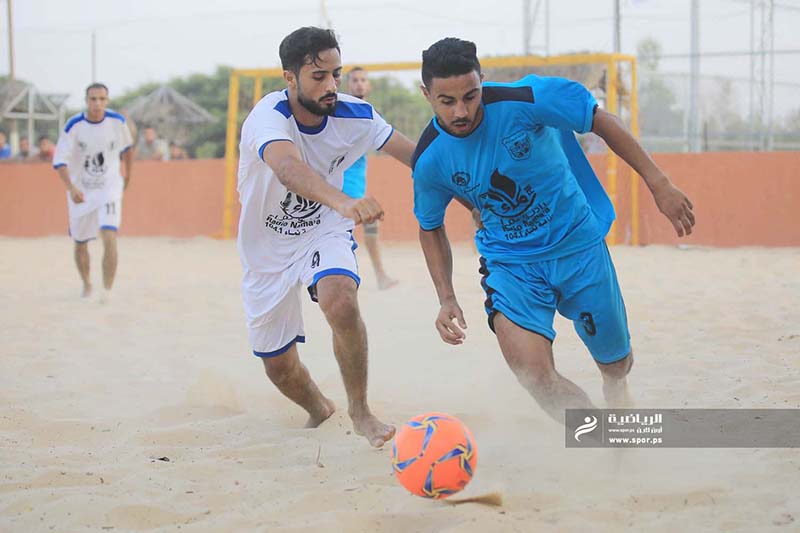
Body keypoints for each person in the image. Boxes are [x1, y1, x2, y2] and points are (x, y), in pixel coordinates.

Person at [411, 38, 695, 424]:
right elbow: (430, 227)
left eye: (470, 96)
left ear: (482, 80)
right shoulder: (429, 159)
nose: (461, 111)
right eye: (447, 101)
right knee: (534, 376)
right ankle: (601, 440)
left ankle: (615, 387)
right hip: (511, 265)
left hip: (578, 246)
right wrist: (446, 297)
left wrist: (658, 183)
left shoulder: (527, 98)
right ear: (426, 94)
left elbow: (601, 120)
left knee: (616, 364)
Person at [237, 27, 417, 447]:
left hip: (323, 229)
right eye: (318, 76)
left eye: (335, 74)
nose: (332, 85)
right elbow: (288, 169)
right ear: (290, 78)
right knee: (279, 368)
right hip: (265, 248)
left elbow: (420, 158)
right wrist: (344, 201)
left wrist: (475, 201)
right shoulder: (268, 117)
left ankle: (361, 411)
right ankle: (320, 408)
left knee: (341, 300)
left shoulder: (358, 116)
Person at [53, 83, 134, 301]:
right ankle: (87, 283)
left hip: (109, 188)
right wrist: (71, 188)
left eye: (102, 99)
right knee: (81, 242)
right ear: (86, 101)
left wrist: (128, 176)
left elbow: (128, 149)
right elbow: (59, 161)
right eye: (93, 99)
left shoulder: (117, 122)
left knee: (109, 235)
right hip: (81, 191)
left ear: (107, 100)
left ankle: (107, 291)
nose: (97, 103)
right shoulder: (74, 125)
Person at [341, 67, 398, 290]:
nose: (359, 84)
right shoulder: (338, 110)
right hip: (339, 182)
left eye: (363, 80)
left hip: (357, 180)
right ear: (348, 84)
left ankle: (379, 276)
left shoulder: (372, 114)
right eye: (355, 80)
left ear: (369, 85)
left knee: (370, 223)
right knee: (346, 231)